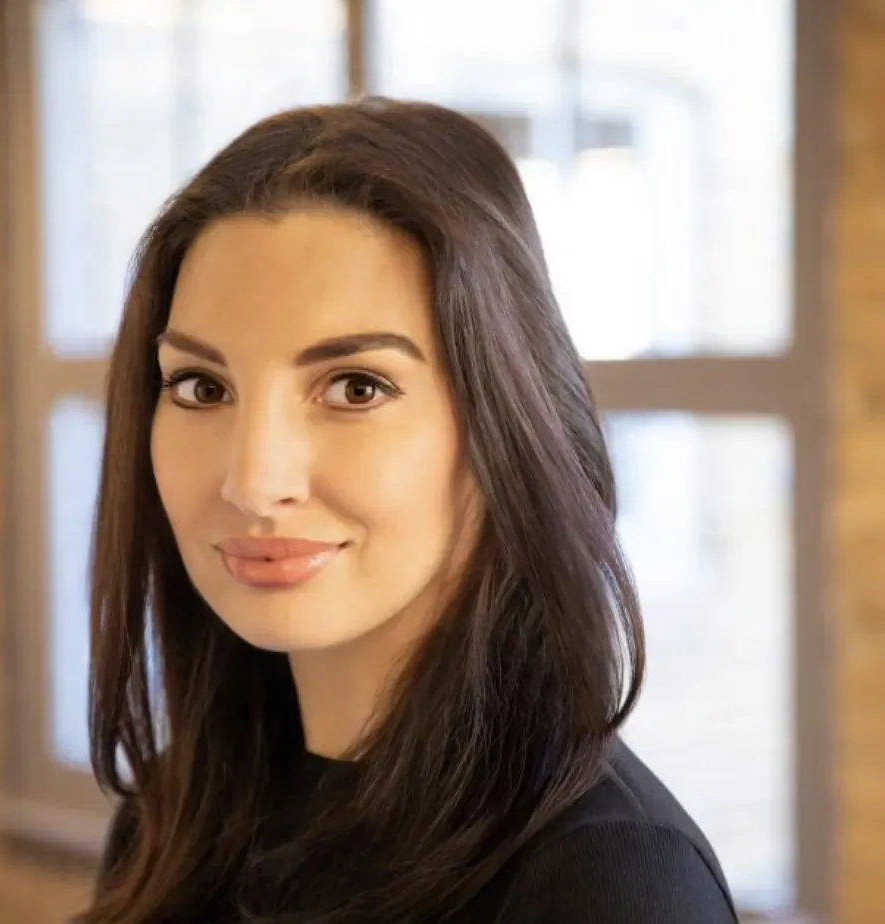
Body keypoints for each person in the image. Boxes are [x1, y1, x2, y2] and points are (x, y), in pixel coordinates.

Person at [77, 96, 737, 924]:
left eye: (356, 387)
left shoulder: (608, 881)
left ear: (503, 421)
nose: (253, 481)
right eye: (201, 387)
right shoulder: (172, 818)